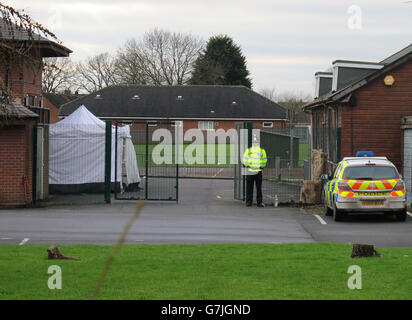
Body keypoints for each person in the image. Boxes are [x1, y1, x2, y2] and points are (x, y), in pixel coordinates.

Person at [242, 135, 267, 207]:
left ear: (258, 143)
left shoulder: (262, 151)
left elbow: (264, 160)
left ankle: (259, 202)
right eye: (254, 142)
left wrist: (261, 166)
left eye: (256, 142)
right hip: (250, 171)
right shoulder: (248, 150)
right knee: (249, 188)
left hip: (258, 172)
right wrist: (247, 165)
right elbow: (244, 159)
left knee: (259, 188)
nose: (255, 143)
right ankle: (249, 202)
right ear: (252, 143)